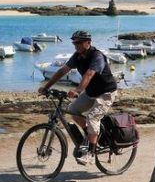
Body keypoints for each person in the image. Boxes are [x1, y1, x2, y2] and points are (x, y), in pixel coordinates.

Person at [37, 30, 118, 165]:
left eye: (79, 42)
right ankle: (90, 135)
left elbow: (89, 74)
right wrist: (46, 87)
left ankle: (91, 154)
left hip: (106, 92)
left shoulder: (96, 56)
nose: (76, 45)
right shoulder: (77, 56)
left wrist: (77, 90)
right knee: (73, 110)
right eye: (75, 42)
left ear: (88, 43)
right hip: (91, 92)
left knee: (92, 117)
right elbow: (62, 71)